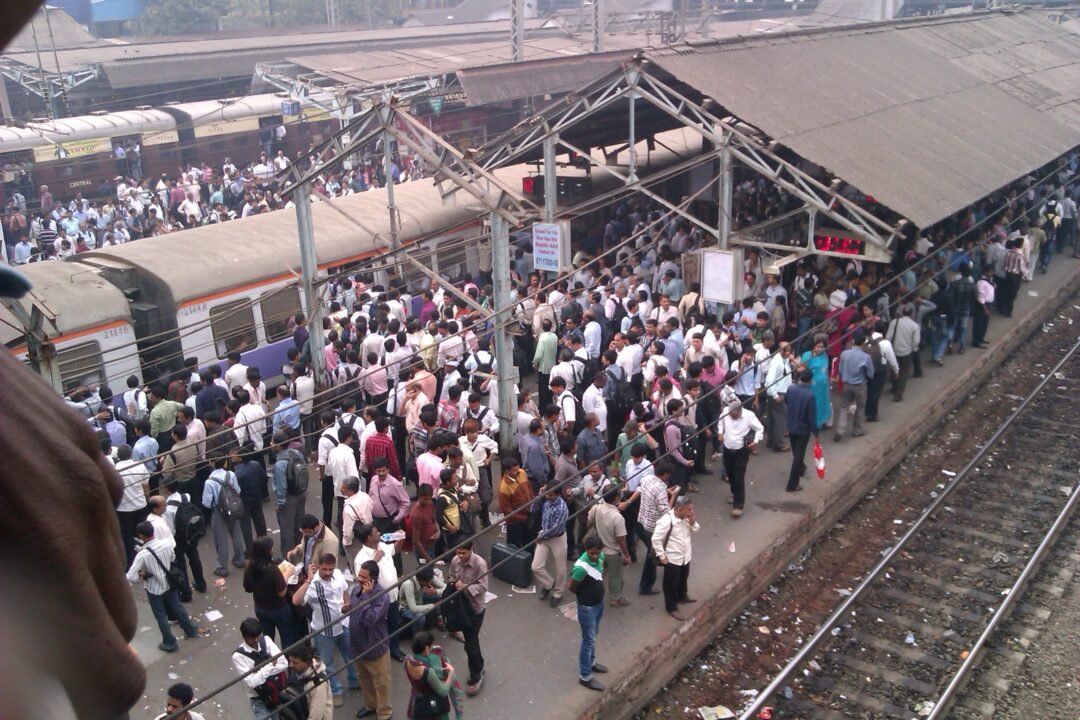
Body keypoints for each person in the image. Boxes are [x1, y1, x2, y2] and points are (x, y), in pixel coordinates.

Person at [126, 521, 208, 652]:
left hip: (154, 588)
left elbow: (130, 576)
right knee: (177, 606)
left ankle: (170, 642)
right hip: (170, 582)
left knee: (161, 616)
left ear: (141, 536)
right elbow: (172, 558)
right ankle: (190, 630)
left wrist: (141, 576)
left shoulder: (143, 554)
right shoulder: (167, 544)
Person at [292, 553, 358, 706]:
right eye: (324, 569)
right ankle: (336, 690)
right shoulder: (313, 583)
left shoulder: (338, 575)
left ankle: (354, 680)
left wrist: (347, 605)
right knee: (327, 663)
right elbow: (296, 600)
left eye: (330, 569)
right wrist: (308, 580)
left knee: (351, 655)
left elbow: (345, 590)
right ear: (318, 567)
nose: (328, 572)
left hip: (343, 624)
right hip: (324, 631)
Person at [345, 559, 393, 720]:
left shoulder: (381, 596)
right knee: (364, 679)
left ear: (373, 579)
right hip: (357, 645)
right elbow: (353, 608)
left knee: (381, 682)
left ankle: (384, 711)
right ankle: (371, 705)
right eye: (359, 575)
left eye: (364, 577)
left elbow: (370, 619)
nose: (360, 579)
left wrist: (365, 597)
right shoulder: (355, 590)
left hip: (374, 646)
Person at [352, 523, 406, 662]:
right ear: (369, 537)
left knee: (394, 623)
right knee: (379, 627)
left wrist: (401, 538)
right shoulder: (360, 558)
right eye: (376, 531)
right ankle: (381, 651)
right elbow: (363, 579)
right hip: (377, 600)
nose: (379, 532)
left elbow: (395, 549)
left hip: (393, 594)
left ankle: (394, 649)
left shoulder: (382, 545)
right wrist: (375, 559)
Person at [243, 536, 301, 652]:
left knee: (268, 639)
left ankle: (270, 661)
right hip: (279, 609)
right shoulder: (273, 570)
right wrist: (287, 574)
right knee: (287, 638)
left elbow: (248, 588)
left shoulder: (250, 567)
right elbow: (281, 592)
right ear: (267, 551)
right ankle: (288, 662)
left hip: (260, 608)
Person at [449, 541, 489, 696]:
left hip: (475, 608)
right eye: (458, 552)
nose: (460, 556)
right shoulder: (455, 561)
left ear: (471, 550)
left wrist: (465, 587)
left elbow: (483, 587)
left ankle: (476, 677)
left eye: (463, 553)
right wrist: (453, 584)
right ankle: (480, 665)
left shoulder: (480, 564)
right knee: (472, 640)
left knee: (470, 644)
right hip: (461, 606)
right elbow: (452, 575)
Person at [569, 536, 609, 691]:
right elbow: (572, 588)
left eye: (597, 553)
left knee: (594, 635)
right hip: (587, 608)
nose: (595, 556)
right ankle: (585, 676)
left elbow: (602, 570)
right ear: (586, 550)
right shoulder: (580, 568)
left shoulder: (601, 557)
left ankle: (591, 663)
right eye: (591, 553)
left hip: (598, 604)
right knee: (588, 641)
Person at [652, 496, 700, 621]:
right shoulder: (666, 521)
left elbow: (696, 529)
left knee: (683, 578)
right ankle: (671, 607)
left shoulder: (686, 518)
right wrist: (662, 557)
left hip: (685, 556)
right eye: (688, 510)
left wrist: (692, 521)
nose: (691, 512)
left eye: (692, 509)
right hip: (673, 558)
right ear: (679, 509)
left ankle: (682, 596)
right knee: (670, 584)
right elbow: (655, 539)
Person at [231, 617, 289, 720]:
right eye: (252, 638)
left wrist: (259, 673)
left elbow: (283, 663)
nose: (256, 640)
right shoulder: (238, 656)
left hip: (277, 690)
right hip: (258, 698)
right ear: (244, 636)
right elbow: (252, 682)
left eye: (258, 636)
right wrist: (270, 665)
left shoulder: (266, 640)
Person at [587, 485, 632, 607]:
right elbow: (621, 539)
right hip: (613, 553)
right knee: (615, 577)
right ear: (616, 498)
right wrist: (627, 556)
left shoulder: (595, 508)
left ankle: (591, 593)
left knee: (598, 574)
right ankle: (615, 599)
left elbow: (588, 524)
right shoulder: (617, 517)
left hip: (598, 550)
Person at [718, 400, 764, 518]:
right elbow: (720, 421)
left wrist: (755, 441)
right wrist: (720, 432)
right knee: (730, 474)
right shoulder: (726, 412)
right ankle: (734, 493)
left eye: (733, 414)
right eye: (730, 413)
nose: (731, 416)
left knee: (739, 476)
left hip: (741, 450)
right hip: (728, 448)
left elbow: (759, 428)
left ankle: (738, 505)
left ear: (739, 411)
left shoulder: (749, 416)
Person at [203, 456, 246, 576]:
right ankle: (239, 559)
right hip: (232, 507)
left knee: (221, 539)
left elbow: (206, 503)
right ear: (225, 462)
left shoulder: (209, 481)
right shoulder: (230, 475)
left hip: (218, 510)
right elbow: (237, 490)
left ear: (211, 463)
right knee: (236, 533)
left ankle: (222, 567)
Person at [404, 631, 462, 720]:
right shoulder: (428, 671)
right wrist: (451, 673)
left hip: (416, 705)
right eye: (432, 645)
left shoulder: (407, 660)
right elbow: (443, 691)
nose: (433, 646)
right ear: (427, 649)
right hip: (433, 707)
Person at [272, 429, 309, 558]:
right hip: (300, 493)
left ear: (277, 445)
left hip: (288, 498)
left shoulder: (280, 464)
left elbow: (281, 487)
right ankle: (301, 550)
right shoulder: (296, 453)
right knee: (299, 525)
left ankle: (287, 557)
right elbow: (305, 468)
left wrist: (280, 503)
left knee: (286, 529)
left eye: (272, 442)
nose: (271, 444)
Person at [532, 483, 569, 606]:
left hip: (557, 539)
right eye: (547, 494)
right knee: (536, 566)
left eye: (551, 495)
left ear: (558, 494)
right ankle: (549, 584)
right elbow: (533, 508)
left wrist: (540, 536)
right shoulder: (546, 500)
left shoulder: (562, 508)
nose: (547, 496)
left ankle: (558, 593)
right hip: (544, 535)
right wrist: (540, 495)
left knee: (560, 569)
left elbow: (555, 529)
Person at [834, 329, 874, 441]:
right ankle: (858, 429)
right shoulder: (866, 357)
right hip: (860, 385)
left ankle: (840, 430)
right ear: (863, 343)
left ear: (853, 341)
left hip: (847, 384)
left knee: (843, 407)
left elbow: (840, 370)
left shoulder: (844, 354)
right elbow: (870, 374)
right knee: (860, 408)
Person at [784, 369, 819, 493]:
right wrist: (816, 432)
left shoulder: (791, 388)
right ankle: (792, 484)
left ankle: (801, 468)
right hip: (803, 430)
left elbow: (786, 401)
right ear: (810, 380)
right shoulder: (810, 396)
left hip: (791, 425)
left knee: (795, 451)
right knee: (799, 455)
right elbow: (812, 417)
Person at [283, 642, 334, 720]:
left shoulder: (318, 684)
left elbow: (316, 716)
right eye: (290, 661)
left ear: (309, 662)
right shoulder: (299, 672)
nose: (291, 665)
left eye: (295, 663)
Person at [233, 446, 268, 555]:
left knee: (246, 526)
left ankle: (250, 549)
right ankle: (264, 545)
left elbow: (236, 490)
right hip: (256, 498)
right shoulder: (255, 465)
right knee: (260, 523)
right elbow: (264, 478)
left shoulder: (238, 473)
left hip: (244, 502)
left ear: (240, 458)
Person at [497, 455, 534, 548]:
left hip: (528, 515)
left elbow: (529, 488)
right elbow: (506, 510)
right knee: (515, 547)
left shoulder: (522, 473)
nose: (517, 471)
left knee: (529, 543)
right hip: (515, 523)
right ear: (506, 471)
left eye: (518, 468)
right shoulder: (504, 488)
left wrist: (533, 504)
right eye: (514, 470)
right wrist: (522, 518)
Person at [799, 335, 832, 430]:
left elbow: (826, 370)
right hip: (811, 386)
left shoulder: (825, 355)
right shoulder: (807, 356)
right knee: (813, 404)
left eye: (822, 347)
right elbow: (802, 369)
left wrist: (828, 381)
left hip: (823, 386)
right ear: (813, 346)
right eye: (818, 347)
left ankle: (821, 422)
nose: (820, 349)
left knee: (822, 403)